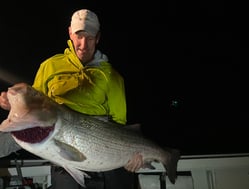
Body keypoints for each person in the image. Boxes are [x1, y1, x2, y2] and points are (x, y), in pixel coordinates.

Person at [0, 8, 143, 189]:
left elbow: (119, 123)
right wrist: (7, 102)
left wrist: (132, 156)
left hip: (103, 145)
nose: (83, 44)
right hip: (61, 138)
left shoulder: (113, 77)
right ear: (70, 33)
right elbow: (32, 105)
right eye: (79, 36)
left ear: (98, 37)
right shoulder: (50, 66)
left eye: (90, 38)